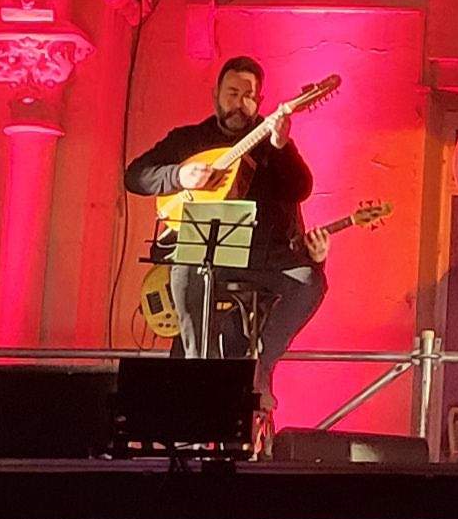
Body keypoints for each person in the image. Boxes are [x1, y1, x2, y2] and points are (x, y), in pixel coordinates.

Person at [123, 58, 327, 396]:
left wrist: (280, 146)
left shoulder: (271, 141)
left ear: (259, 102)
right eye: (232, 93)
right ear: (216, 94)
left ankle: (259, 367)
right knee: (186, 270)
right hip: (206, 255)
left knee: (309, 282)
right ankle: (200, 370)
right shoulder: (189, 140)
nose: (239, 103)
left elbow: (300, 188)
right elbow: (135, 176)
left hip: (263, 256)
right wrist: (178, 175)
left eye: (249, 97)